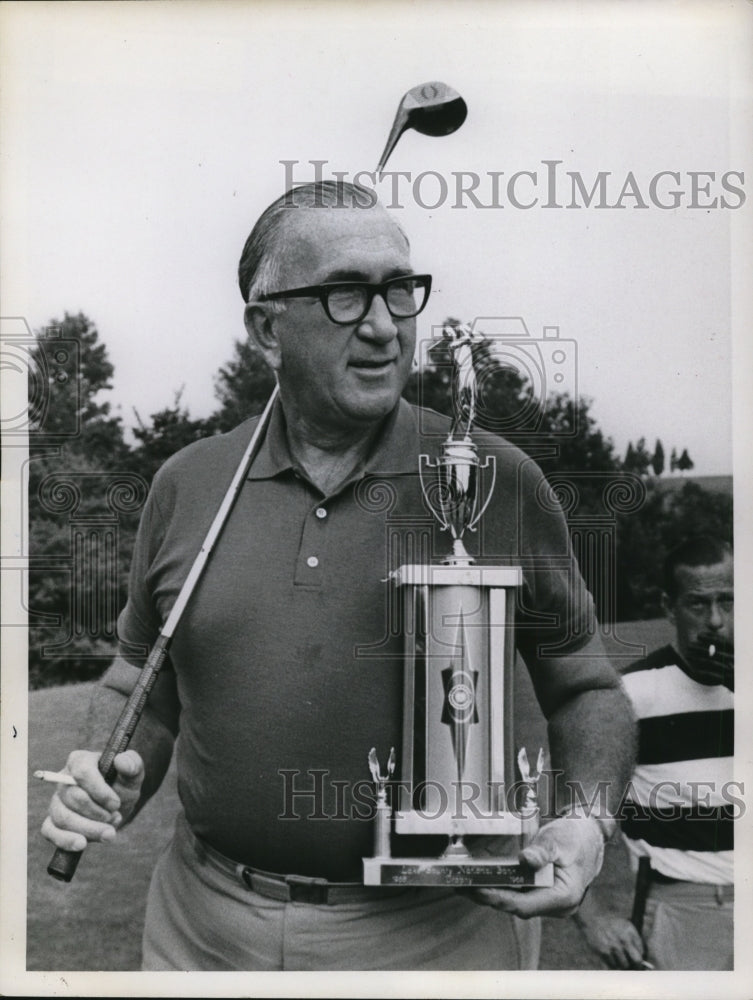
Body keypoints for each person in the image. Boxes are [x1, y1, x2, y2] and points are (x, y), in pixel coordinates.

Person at [41, 181, 635, 972]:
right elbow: (138, 684)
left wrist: (589, 822)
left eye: (399, 289)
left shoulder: (492, 478)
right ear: (265, 326)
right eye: (346, 295)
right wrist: (107, 772)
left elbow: (585, 688)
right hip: (201, 928)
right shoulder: (188, 483)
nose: (385, 326)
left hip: (432, 937)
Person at [574, 535, 734, 970]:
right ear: (668, 607)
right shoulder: (631, 693)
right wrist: (591, 919)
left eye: (729, 601)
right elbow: (570, 812)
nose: (716, 620)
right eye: (698, 604)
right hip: (684, 906)